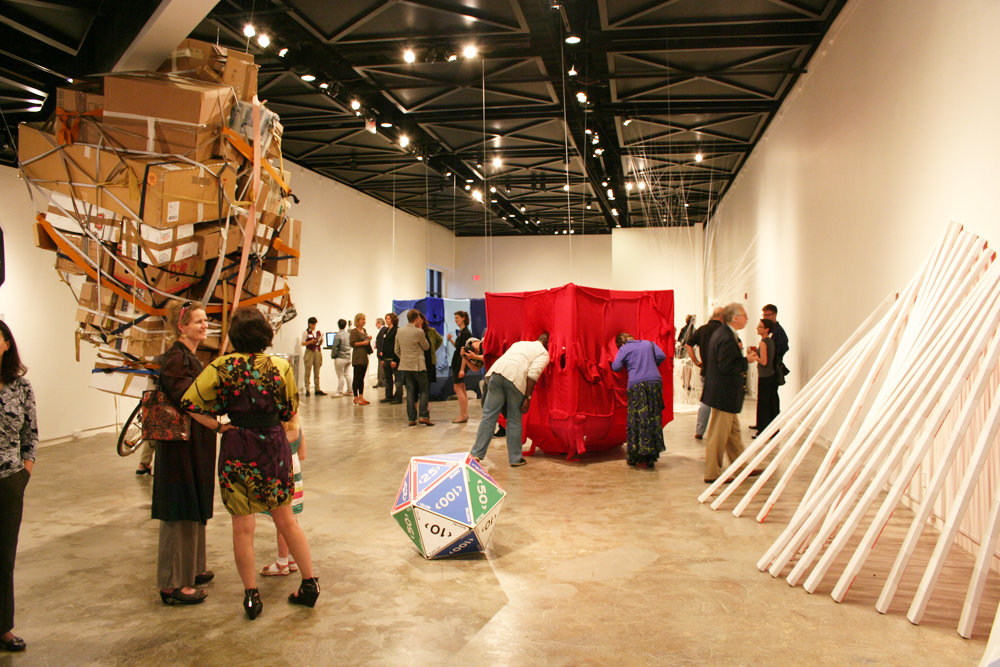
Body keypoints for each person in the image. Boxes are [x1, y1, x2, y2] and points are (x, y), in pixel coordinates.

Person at [182, 307, 319, 619]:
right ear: (266, 336)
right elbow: (289, 410)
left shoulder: (220, 367)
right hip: (273, 444)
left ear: (234, 336)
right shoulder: (280, 367)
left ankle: (251, 595)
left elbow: (189, 402)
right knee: (286, 519)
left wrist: (219, 425)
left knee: (242, 525)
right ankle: (309, 584)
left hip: (237, 445)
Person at [153, 301, 218, 607]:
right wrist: (218, 424)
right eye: (198, 321)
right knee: (179, 509)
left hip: (194, 445)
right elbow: (189, 401)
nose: (205, 325)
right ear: (182, 326)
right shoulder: (175, 359)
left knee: (195, 504)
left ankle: (192, 569)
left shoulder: (189, 356)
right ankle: (173, 583)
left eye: (206, 321)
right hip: (179, 448)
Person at [0, 321, 36, 653]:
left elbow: (30, 434)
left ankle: (3, 628)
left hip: (9, 481)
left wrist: (25, 472)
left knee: (4, 556)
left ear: (6, 344)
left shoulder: (20, 388)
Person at [701, 303, 762, 484]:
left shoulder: (723, 334)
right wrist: (746, 361)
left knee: (733, 434)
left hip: (723, 393)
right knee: (718, 435)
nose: (747, 318)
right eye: (744, 315)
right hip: (724, 393)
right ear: (735, 318)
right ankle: (712, 473)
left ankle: (742, 468)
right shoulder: (726, 337)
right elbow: (726, 366)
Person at [470, 333, 550, 467]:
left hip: (495, 374)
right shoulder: (544, 354)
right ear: (547, 345)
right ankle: (515, 458)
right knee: (514, 420)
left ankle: (476, 454)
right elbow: (533, 373)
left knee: (488, 417)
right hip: (515, 380)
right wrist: (527, 398)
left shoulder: (519, 344)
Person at [259, 414, 306, 577]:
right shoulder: (298, 430)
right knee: (293, 521)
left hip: (281, 475)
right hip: (296, 477)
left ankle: (282, 561)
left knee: (283, 523)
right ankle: (292, 558)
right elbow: (303, 455)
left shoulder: (274, 434)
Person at [611, 332, 667, 468]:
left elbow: (616, 367)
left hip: (637, 384)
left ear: (621, 344)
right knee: (653, 417)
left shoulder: (624, 349)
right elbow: (661, 356)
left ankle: (637, 453)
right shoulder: (649, 343)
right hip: (655, 382)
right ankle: (651, 455)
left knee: (638, 418)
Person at [685, 307, 725, 440]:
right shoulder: (724, 331)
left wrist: (696, 361)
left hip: (706, 370)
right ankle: (719, 432)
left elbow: (688, 344)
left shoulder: (703, 330)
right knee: (722, 402)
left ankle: (700, 431)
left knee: (706, 401)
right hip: (722, 372)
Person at [395, 309, 432, 426]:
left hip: (405, 365)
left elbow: (396, 350)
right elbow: (426, 347)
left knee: (410, 391)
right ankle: (423, 415)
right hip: (418, 365)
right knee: (424, 390)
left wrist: (404, 358)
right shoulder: (419, 332)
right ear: (417, 319)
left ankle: (411, 418)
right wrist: (422, 331)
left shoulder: (399, 331)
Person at [751, 319, 779, 436]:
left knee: (763, 403)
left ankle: (762, 429)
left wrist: (754, 356)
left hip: (765, 376)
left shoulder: (763, 342)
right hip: (771, 375)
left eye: (760, 327)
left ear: (766, 329)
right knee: (770, 402)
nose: (758, 328)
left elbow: (764, 361)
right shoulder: (770, 341)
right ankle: (772, 429)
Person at [447, 311, 473, 423]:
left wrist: (462, 369)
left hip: (460, 363)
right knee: (461, 387)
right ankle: (464, 413)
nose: (455, 320)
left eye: (457, 318)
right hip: (458, 362)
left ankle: (463, 414)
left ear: (463, 318)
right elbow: (459, 348)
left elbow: (464, 353)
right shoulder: (462, 332)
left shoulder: (466, 333)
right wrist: (451, 340)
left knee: (457, 387)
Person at [349, 313, 373, 405]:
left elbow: (365, 342)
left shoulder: (364, 330)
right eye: (362, 319)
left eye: (364, 319)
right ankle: (355, 397)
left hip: (364, 357)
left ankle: (361, 396)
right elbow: (352, 344)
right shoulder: (354, 331)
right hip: (358, 357)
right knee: (357, 377)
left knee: (362, 377)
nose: (364, 321)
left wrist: (368, 339)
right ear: (357, 321)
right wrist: (363, 343)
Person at [380, 313, 403, 404]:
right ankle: (389, 396)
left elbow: (397, 346)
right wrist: (382, 358)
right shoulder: (386, 331)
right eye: (386, 318)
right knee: (388, 378)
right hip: (386, 359)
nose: (386, 320)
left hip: (394, 359)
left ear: (393, 320)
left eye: (388, 318)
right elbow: (384, 344)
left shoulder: (397, 330)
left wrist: (395, 360)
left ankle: (398, 397)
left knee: (398, 379)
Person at [301, 317, 325, 396]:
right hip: (309, 351)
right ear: (309, 324)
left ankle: (317, 388)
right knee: (308, 370)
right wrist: (310, 342)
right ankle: (307, 389)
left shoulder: (318, 332)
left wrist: (320, 341)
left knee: (317, 371)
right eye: (312, 324)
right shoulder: (306, 332)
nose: (313, 326)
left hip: (317, 351)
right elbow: (303, 343)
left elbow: (319, 343)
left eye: (314, 324)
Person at [331, 319, 352, 396]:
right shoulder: (348, 334)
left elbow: (335, 347)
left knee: (340, 376)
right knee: (347, 374)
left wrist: (333, 356)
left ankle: (339, 391)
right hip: (348, 357)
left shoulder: (338, 335)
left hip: (340, 358)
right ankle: (350, 390)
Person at [373, 317, 387, 389]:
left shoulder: (383, 330)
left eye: (376, 323)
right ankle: (381, 381)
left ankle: (381, 381)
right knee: (381, 367)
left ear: (379, 323)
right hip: (380, 351)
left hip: (381, 353)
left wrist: (381, 351)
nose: (376, 325)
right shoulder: (383, 330)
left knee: (381, 367)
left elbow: (383, 342)